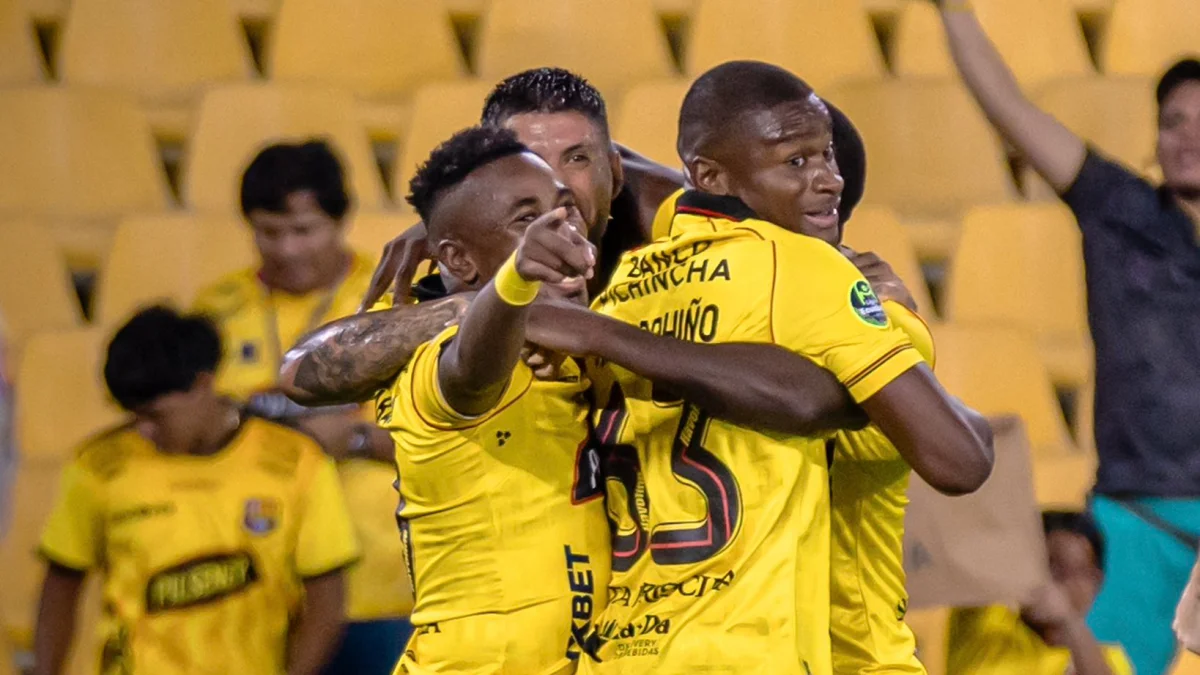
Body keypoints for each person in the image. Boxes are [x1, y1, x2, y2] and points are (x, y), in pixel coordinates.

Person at [381, 125, 872, 674]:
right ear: (459, 259)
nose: (562, 232)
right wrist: (516, 282)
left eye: (566, 211)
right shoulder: (436, 367)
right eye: (528, 221)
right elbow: (471, 370)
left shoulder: (598, 357)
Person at [563, 60, 991, 674]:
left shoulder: (623, 289)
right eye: (797, 163)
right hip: (806, 653)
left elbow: (639, 176)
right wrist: (906, 323)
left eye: (828, 161)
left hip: (630, 646)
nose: (824, 180)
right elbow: (961, 458)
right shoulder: (828, 285)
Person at [927, 1, 1200, 671]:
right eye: (1173, 123)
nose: (1187, 138)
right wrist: (952, 9)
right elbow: (1010, 112)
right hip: (1140, 520)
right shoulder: (1119, 208)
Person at [29, 306, 357, 675]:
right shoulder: (98, 467)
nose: (143, 432)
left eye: (155, 416)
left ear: (203, 384)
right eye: (133, 416)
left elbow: (326, 601)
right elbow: (60, 587)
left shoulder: (295, 461)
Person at [191, 140, 415, 675]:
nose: (287, 249)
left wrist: (355, 440)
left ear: (340, 221)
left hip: (382, 584)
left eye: (304, 230)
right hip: (258, 583)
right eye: (270, 232)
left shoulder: (393, 302)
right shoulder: (215, 313)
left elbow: (444, 432)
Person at [947, 511, 1133, 675]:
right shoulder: (985, 622)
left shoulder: (1107, 660)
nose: (1056, 584)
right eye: (1049, 566)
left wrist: (1067, 619)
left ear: (1096, 581)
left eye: (1073, 572)